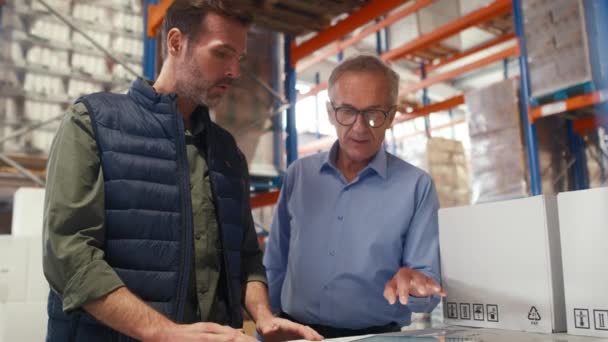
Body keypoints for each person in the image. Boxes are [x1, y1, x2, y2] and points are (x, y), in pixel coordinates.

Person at [42, 1, 323, 341]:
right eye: (222, 53)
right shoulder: (93, 123)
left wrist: (264, 316)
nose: (235, 70)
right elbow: (68, 255)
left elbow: (246, 256)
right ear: (175, 43)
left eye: (240, 58)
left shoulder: (227, 152)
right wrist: (164, 332)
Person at [263, 55, 447, 338]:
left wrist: (415, 285)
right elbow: (275, 262)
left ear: (392, 116)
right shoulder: (299, 175)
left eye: (374, 114)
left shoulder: (416, 186)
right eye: (347, 112)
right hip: (296, 333)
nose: (360, 127)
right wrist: (267, 325)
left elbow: (426, 283)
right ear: (329, 112)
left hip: (376, 337)